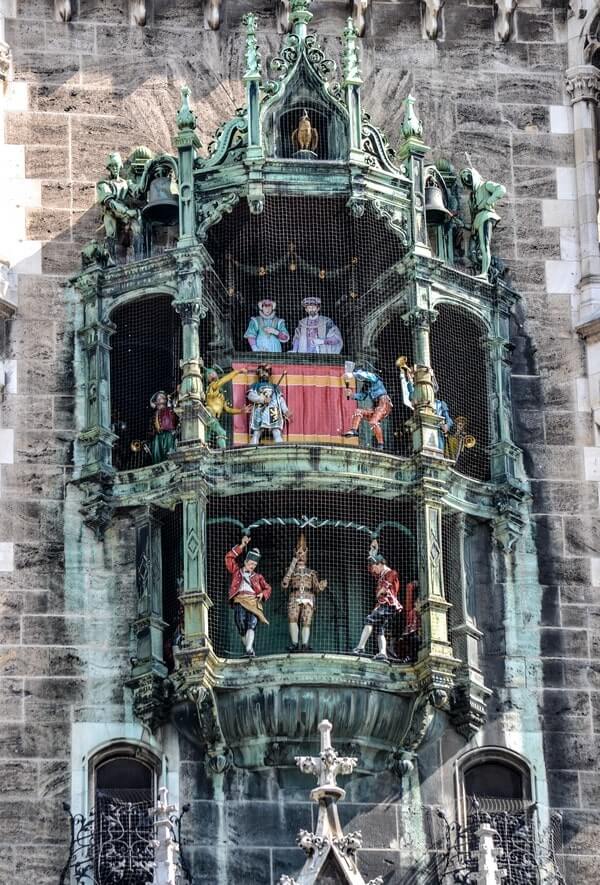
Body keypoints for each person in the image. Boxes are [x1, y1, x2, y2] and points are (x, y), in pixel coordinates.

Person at [352, 539, 402, 661]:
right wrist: (372, 552)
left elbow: (385, 588)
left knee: (369, 620)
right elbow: (371, 569)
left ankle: (360, 647)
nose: (373, 570)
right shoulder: (381, 573)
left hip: (387, 604)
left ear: (380, 564)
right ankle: (383, 653)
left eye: (374, 567)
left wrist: (380, 592)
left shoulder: (390, 573)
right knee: (380, 629)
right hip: (385, 605)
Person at [224, 535, 272, 658]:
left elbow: (268, 588)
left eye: (254, 565)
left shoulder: (258, 577)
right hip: (239, 600)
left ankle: (249, 649)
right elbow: (229, 558)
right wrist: (242, 546)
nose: (252, 567)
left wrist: (262, 594)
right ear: (245, 562)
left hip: (253, 601)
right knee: (240, 624)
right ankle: (249, 650)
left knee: (251, 624)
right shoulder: (236, 572)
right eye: (250, 564)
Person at [281, 534, 327, 653]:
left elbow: (316, 588)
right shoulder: (291, 570)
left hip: (308, 597)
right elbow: (285, 583)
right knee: (293, 618)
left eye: (303, 553)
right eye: (299, 552)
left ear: (307, 555)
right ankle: (295, 644)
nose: (301, 555)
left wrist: (321, 585)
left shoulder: (311, 573)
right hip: (294, 596)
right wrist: (293, 562)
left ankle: (305, 644)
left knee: (306, 620)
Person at [459, 164, 506, 279]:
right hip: (478, 221)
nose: (466, 179)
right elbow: (473, 221)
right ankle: (483, 270)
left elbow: (501, 189)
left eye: (468, 175)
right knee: (476, 251)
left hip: (486, 216)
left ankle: (484, 273)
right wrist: (463, 224)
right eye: (464, 178)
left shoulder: (486, 186)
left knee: (485, 247)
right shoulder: (471, 198)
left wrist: (489, 201)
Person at [96, 151, 142, 261]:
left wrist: (146, 175)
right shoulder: (103, 184)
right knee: (111, 231)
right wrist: (126, 211)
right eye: (111, 166)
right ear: (109, 168)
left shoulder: (126, 183)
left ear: (120, 166)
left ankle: (140, 257)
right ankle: (111, 260)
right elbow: (110, 202)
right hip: (112, 212)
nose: (114, 168)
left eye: (116, 165)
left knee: (137, 227)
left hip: (125, 214)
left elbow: (138, 190)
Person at [343, 364, 393, 450]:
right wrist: (351, 395)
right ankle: (354, 430)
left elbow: (366, 375)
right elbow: (362, 396)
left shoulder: (373, 377)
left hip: (384, 403)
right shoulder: (366, 385)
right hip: (376, 407)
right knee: (359, 411)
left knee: (373, 422)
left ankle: (380, 444)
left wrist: (353, 374)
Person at [205, 366, 250, 449]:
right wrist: (238, 371)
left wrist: (241, 411)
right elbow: (224, 380)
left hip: (213, 417)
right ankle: (223, 452)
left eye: (213, 373)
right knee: (222, 433)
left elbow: (227, 409)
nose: (213, 374)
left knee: (206, 437)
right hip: (209, 414)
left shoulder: (220, 395)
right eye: (210, 373)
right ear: (209, 377)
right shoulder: (213, 386)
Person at [247, 364, 292, 445]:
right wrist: (262, 399)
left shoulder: (274, 386)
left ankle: (280, 451)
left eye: (266, 372)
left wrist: (285, 411)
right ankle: (252, 450)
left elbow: (280, 399)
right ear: (258, 373)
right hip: (260, 409)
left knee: (276, 431)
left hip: (273, 410)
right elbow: (250, 396)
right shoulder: (255, 385)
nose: (264, 374)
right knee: (256, 432)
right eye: (262, 372)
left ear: (269, 374)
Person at [150, 390, 178, 464]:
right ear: (156, 402)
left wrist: (170, 405)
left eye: (162, 397)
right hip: (158, 436)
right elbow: (151, 427)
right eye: (158, 397)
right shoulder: (155, 414)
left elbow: (173, 419)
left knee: (169, 452)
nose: (160, 397)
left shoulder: (170, 409)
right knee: (157, 454)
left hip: (168, 433)